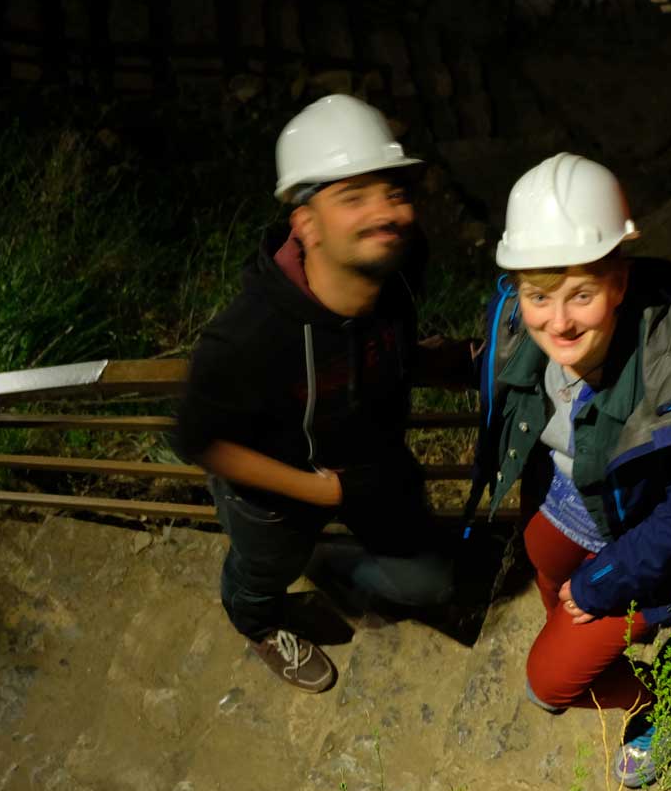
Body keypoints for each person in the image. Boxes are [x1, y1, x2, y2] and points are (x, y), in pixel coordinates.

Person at [468, 153, 671, 788]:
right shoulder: (516, 317)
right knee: (543, 559)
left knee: (550, 683)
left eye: (582, 294)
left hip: (665, 546)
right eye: (540, 295)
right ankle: (633, 650)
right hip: (582, 504)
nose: (559, 321)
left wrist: (605, 582)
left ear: (618, 282)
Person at [177, 93, 472, 692]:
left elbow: (381, 342)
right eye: (353, 196)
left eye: (392, 191)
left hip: (375, 462)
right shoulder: (250, 333)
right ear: (304, 221)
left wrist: (445, 363)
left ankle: (338, 569)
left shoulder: (400, 261)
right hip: (276, 494)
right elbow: (200, 438)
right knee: (265, 570)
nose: (386, 213)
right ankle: (258, 621)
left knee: (428, 576)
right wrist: (319, 490)